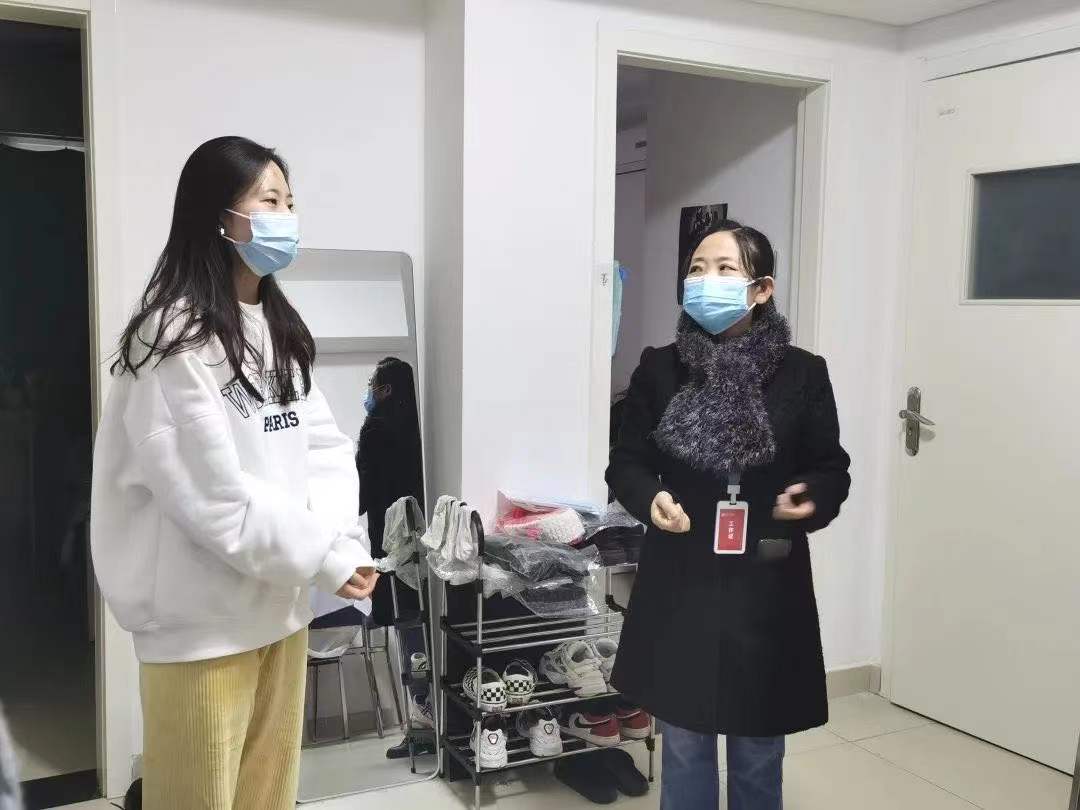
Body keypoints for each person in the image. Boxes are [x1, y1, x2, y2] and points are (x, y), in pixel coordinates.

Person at [90, 136, 378, 810]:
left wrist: (338, 544)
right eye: (269, 200)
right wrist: (323, 556)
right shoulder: (171, 338)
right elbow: (212, 497)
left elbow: (326, 450)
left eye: (290, 202)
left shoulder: (276, 328)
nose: (287, 217)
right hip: (200, 627)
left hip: (280, 609)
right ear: (219, 216)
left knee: (269, 797)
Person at [606, 218, 850, 810]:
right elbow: (626, 462)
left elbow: (831, 468)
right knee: (685, 745)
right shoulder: (660, 368)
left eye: (724, 269)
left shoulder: (803, 372)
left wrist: (812, 496)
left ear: (761, 288)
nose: (704, 280)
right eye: (696, 269)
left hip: (766, 581)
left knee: (758, 749)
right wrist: (650, 498)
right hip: (681, 574)